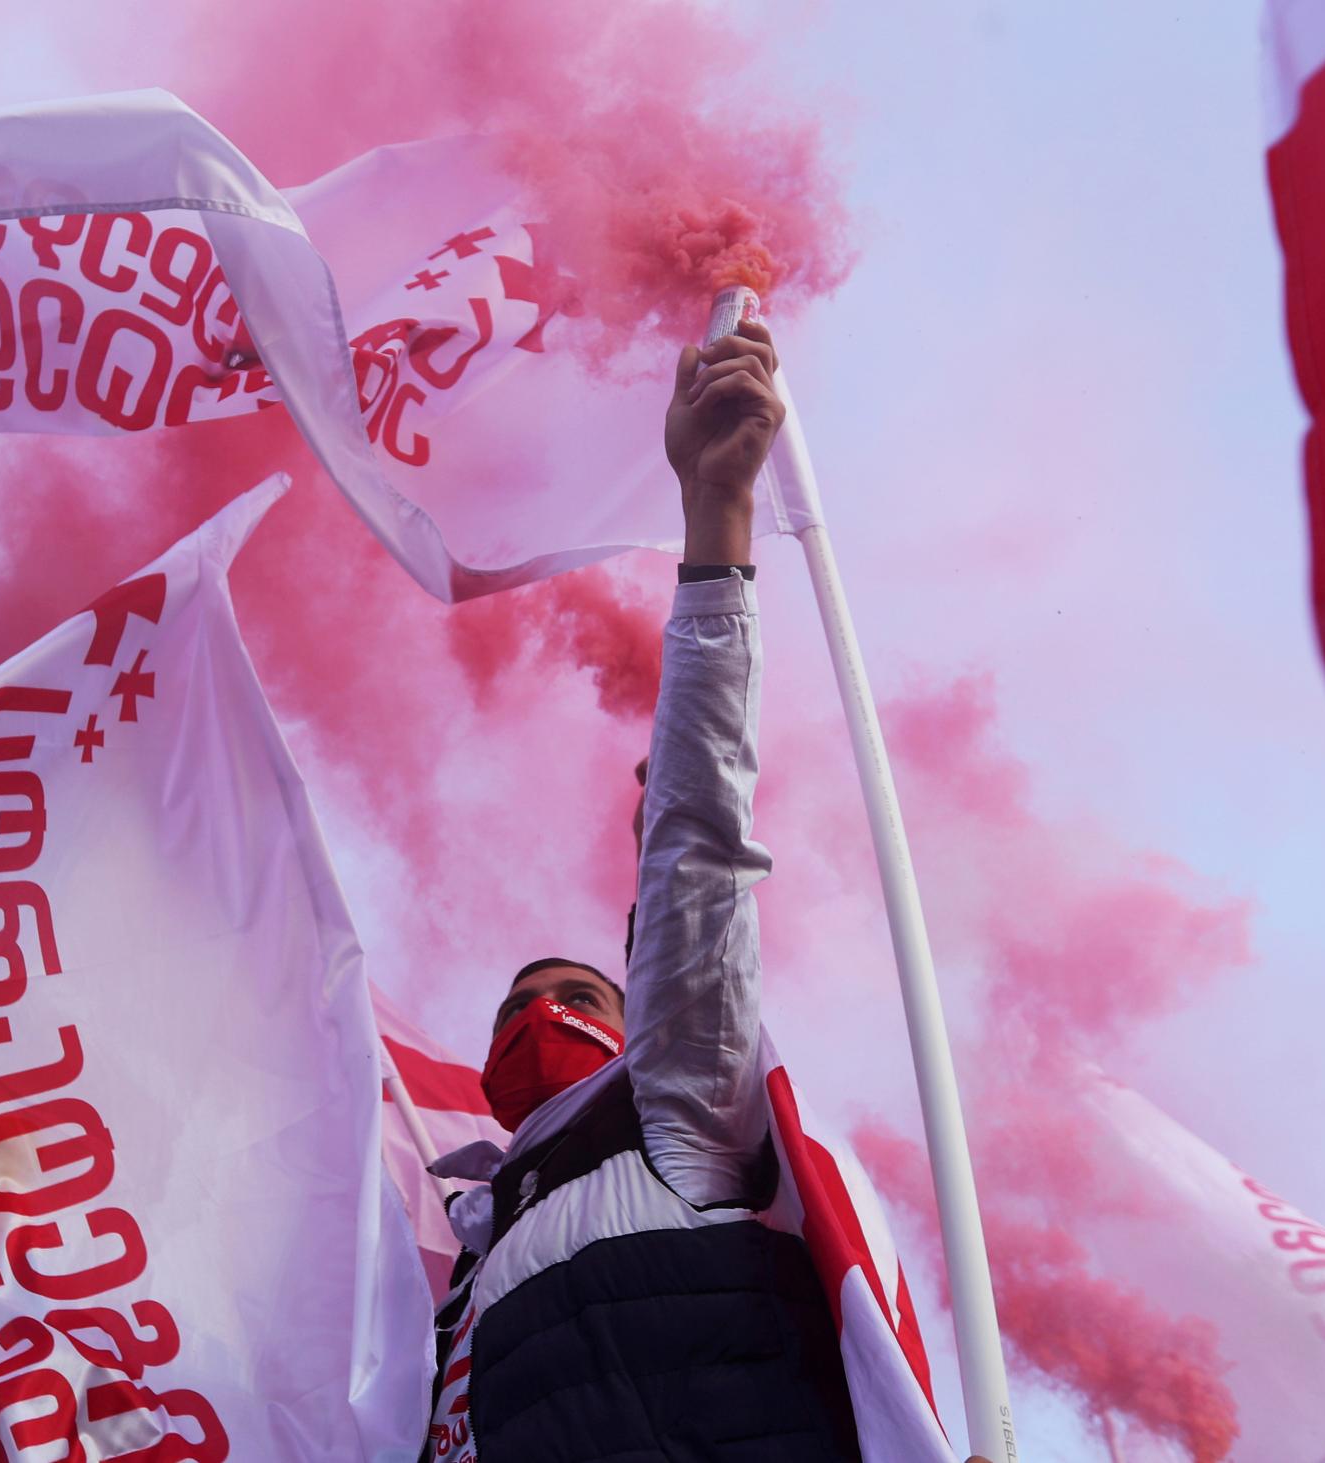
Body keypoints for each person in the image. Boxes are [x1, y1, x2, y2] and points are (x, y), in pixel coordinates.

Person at [418, 322, 989, 1463]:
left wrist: (714, 515)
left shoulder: (674, 1105)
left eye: (576, 988)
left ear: (643, 1016)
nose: (537, 1012)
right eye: (514, 1004)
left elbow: (697, 845)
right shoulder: (448, 1274)